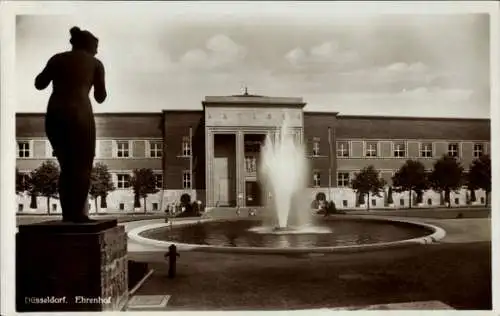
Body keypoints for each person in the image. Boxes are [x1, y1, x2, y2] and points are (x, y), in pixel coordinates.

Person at [35, 26, 107, 223]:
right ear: (89, 45)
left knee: (66, 166)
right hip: (80, 115)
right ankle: (78, 215)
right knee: (83, 167)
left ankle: (68, 215)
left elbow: (39, 83)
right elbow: (100, 97)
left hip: (56, 114)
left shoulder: (57, 59)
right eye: (96, 46)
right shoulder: (95, 64)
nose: (97, 51)